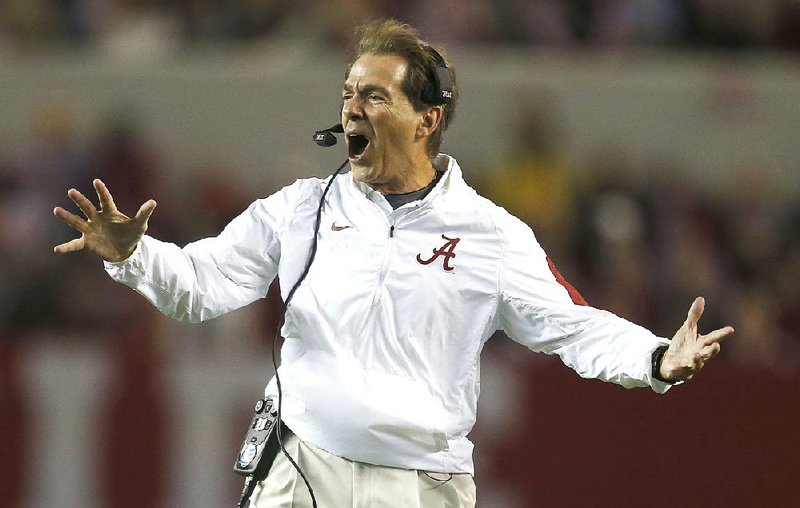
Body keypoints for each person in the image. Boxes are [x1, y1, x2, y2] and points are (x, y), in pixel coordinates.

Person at [53, 19, 734, 508]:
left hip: (417, 487)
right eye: (350, 92)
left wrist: (653, 359)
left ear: (426, 119)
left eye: (375, 95)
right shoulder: (300, 209)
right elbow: (200, 288)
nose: (352, 105)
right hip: (298, 469)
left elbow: (572, 325)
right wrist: (133, 256)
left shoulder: (489, 233)